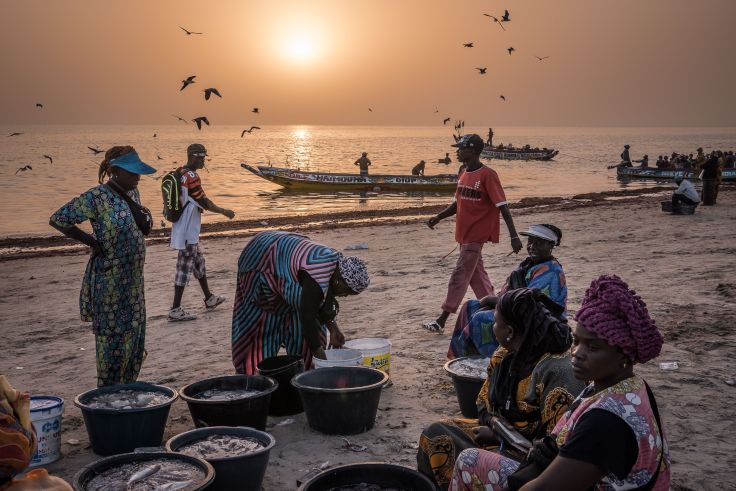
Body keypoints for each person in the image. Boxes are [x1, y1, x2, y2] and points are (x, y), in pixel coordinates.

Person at [450, 275, 670, 491]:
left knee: (468, 462)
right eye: (576, 342)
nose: (577, 353)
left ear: (624, 355)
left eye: (593, 347)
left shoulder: (605, 421)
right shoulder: (628, 387)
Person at [417, 288, 585, 491]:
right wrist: (498, 429)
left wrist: (500, 436)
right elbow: (482, 404)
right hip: (501, 437)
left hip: (533, 464)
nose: (493, 326)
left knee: (468, 458)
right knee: (434, 434)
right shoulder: (505, 355)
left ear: (510, 332)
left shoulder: (557, 371)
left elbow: (556, 447)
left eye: (496, 322)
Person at [49, 146, 155, 386]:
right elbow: (59, 219)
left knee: (134, 336)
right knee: (113, 340)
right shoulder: (96, 198)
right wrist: (92, 242)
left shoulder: (133, 192)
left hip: (134, 283)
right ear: (115, 171)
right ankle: (108, 393)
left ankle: (127, 386)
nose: (138, 177)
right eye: (133, 172)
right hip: (110, 285)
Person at [231, 231, 370, 374]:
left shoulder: (337, 266)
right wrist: (321, 357)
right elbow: (307, 318)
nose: (345, 296)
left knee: (302, 323)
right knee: (262, 324)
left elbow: (322, 302)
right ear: (339, 281)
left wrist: (334, 330)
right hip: (261, 257)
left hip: (287, 255)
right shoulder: (317, 274)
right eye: (346, 292)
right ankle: (251, 374)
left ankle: (306, 372)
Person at [423, 134, 522, 333]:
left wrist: (514, 236)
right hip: (463, 234)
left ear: (474, 150)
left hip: (476, 236)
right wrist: (439, 217)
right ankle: (498, 311)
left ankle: (441, 320)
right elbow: (457, 203)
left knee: (459, 275)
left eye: (461, 148)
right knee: (478, 277)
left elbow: (503, 206)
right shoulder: (462, 171)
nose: (457, 151)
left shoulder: (488, 175)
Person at [448, 224, 567, 359]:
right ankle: (461, 359)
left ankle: (489, 362)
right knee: (469, 307)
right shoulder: (529, 264)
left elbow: (531, 304)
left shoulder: (551, 272)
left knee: (482, 319)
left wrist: (492, 300)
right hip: (514, 307)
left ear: (551, 245)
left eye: (539, 243)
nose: (532, 246)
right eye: (530, 242)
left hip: (537, 319)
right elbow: (512, 292)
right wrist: (495, 302)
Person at [168, 143, 235, 321]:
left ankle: (209, 298)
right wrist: (223, 211)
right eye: (202, 157)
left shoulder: (180, 171)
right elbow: (204, 202)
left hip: (183, 226)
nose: (204, 160)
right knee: (184, 268)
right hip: (188, 229)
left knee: (199, 263)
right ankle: (175, 309)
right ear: (193, 156)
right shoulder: (191, 176)